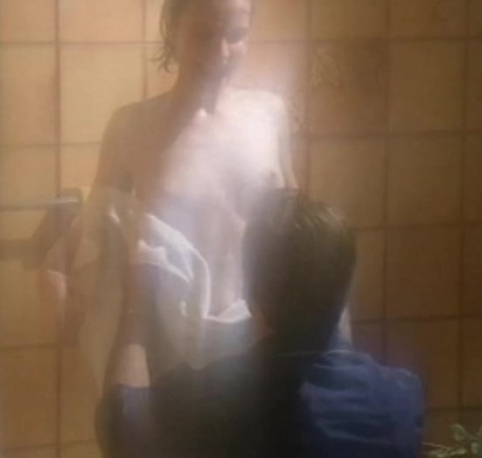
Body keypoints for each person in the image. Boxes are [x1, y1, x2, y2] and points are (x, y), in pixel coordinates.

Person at [42, 0, 351, 389]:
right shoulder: (130, 127)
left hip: (266, 345)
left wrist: (336, 339)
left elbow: (303, 235)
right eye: (204, 35)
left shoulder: (269, 114)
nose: (221, 53)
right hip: (176, 358)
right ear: (172, 29)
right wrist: (56, 274)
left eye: (236, 35)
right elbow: (98, 227)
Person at [98, 190, 425, 458]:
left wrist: (136, 309)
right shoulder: (400, 397)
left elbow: (119, 423)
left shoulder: (218, 403)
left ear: (251, 295)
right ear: (345, 290)